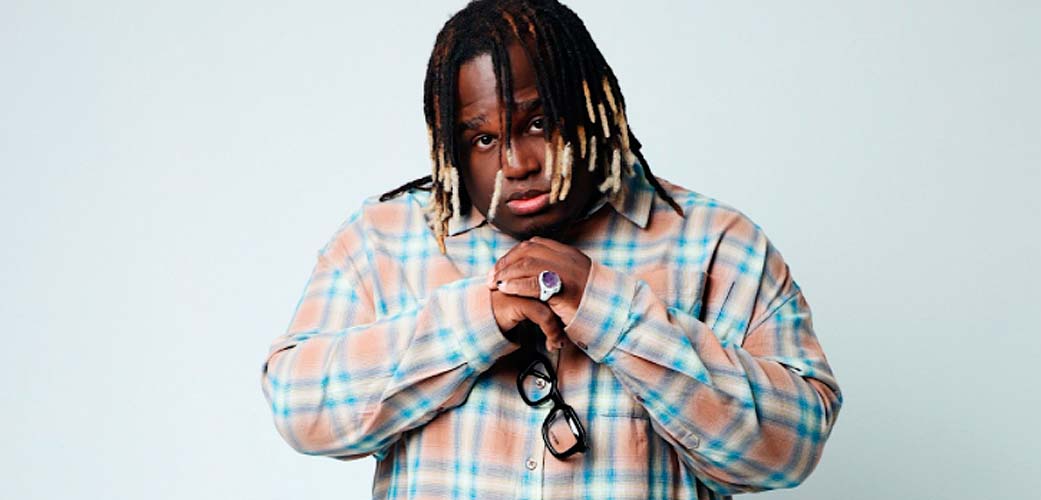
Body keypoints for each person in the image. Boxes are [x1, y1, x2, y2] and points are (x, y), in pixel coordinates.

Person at [260, 0, 843, 498]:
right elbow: (299, 409)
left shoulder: (716, 243)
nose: (515, 164)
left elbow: (790, 451)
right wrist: (476, 320)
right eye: (483, 138)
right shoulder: (384, 240)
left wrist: (610, 311)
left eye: (539, 123)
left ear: (594, 106)